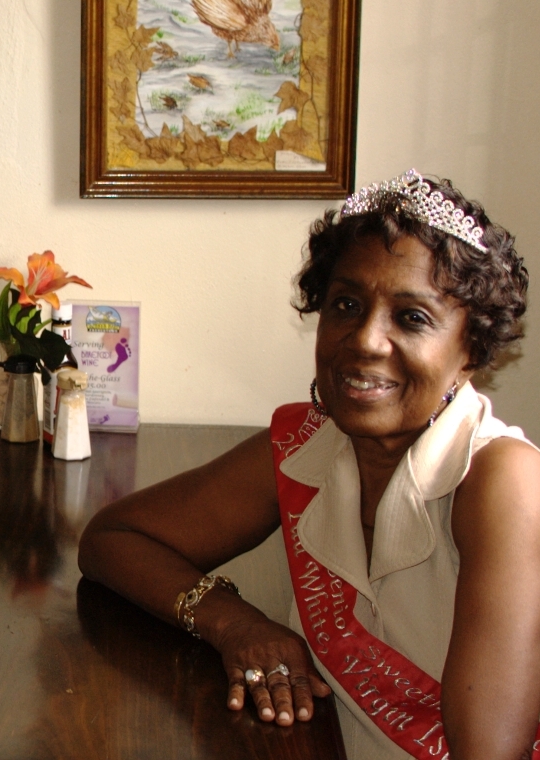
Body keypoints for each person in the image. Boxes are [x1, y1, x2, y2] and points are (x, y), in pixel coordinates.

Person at [79, 170, 540, 760]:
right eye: (346, 304)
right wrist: (236, 624)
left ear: (471, 351)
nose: (366, 340)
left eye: (412, 318)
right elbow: (111, 540)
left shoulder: (502, 479)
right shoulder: (309, 442)